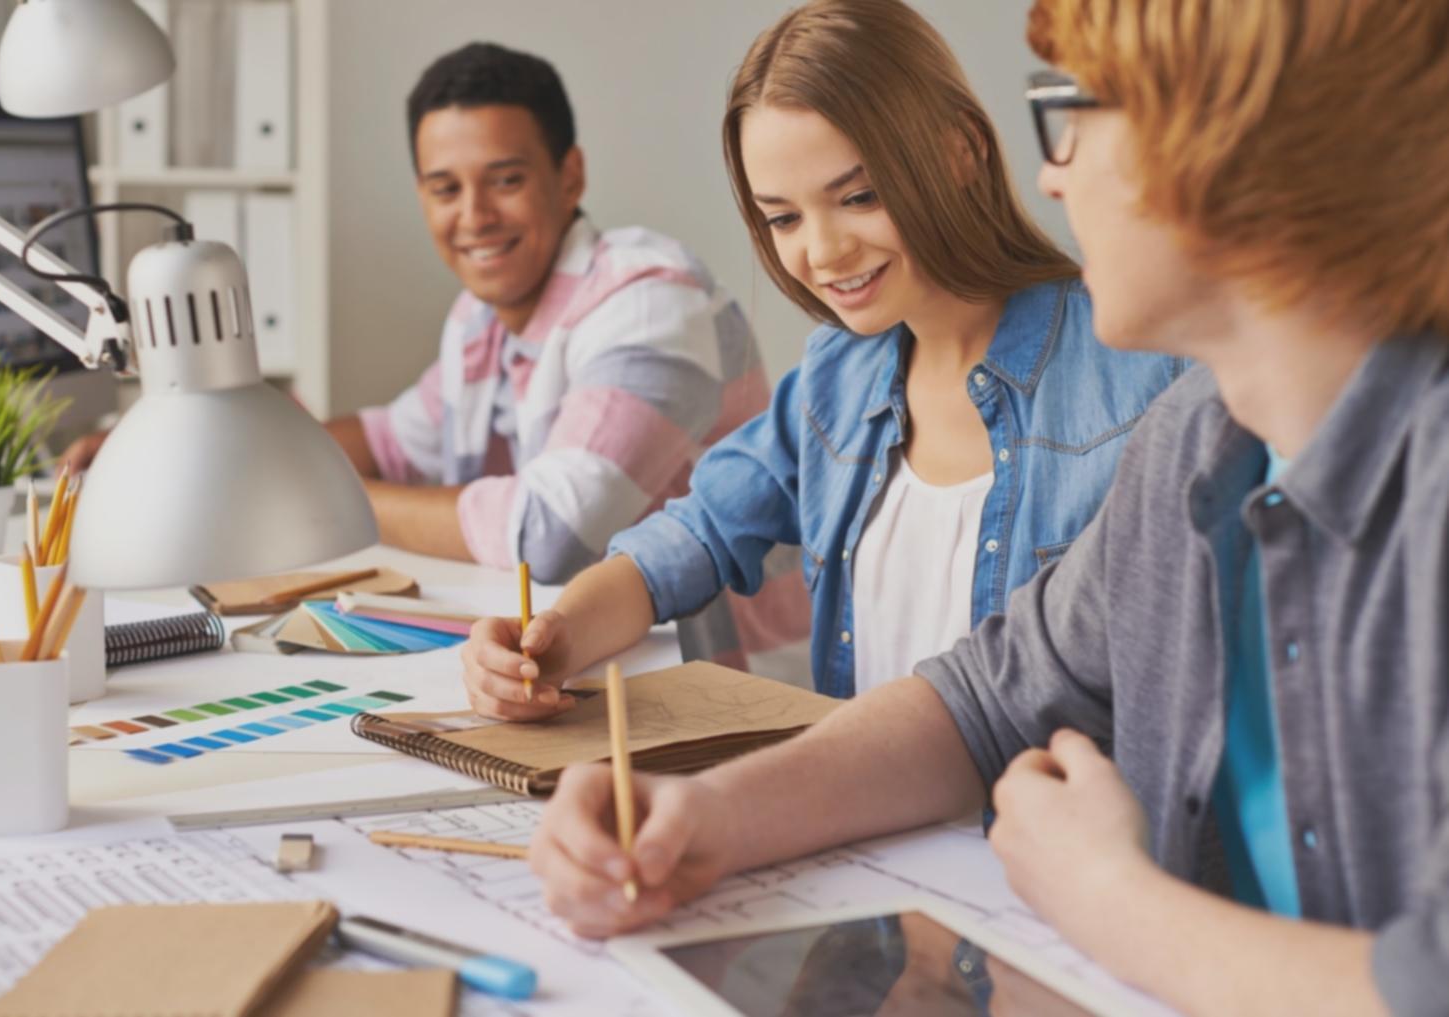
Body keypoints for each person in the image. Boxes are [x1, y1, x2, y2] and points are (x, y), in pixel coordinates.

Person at [527, 0, 1449, 1013]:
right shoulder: (1196, 444)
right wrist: (706, 817)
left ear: (1232, 147)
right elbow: (979, 702)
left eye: (1074, 117)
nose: (1050, 173)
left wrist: (1110, 897)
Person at [458, 0, 1180, 719]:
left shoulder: (1147, 372)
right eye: (783, 217)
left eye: (859, 196)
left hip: (1045, 830)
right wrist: (553, 638)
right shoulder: (839, 374)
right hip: (856, 823)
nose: (824, 251)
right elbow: (694, 535)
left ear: (963, 151)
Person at [62, 44, 786, 614]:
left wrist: (303, 496)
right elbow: (390, 442)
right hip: (589, 664)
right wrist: (199, 459)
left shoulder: (651, 300)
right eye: (445, 188)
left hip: (728, 689)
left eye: (505, 179)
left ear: (570, 176)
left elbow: (548, 539)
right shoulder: (479, 318)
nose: (472, 216)